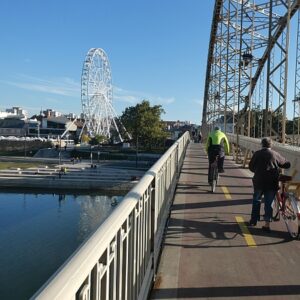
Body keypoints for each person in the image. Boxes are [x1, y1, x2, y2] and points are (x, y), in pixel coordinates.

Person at [248, 137, 291, 232]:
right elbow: (287, 164)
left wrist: (258, 171)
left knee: (256, 201)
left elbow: (250, 167)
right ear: (271, 145)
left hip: (259, 182)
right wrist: (280, 165)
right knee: (268, 203)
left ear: (262, 144)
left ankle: (253, 221)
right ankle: (267, 224)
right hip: (271, 183)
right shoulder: (275, 154)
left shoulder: (257, 154)